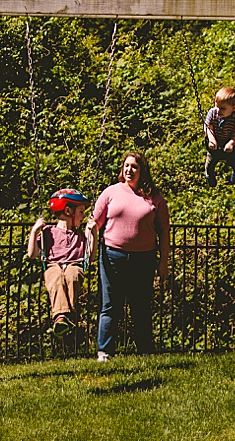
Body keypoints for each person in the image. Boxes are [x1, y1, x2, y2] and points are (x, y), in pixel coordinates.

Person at [87, 151, 170, 360]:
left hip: (144, 257)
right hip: (112, 255)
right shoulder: (111, 192)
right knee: (110, 305)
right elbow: (95, 223)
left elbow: (164, 232)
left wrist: (163, 262)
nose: (129, 170)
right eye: (126, 166)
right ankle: (105, 351)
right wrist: (89, 239)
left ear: (142, 171)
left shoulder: (154, 197)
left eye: (134, 166)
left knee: (140, 305)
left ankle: (144, 350)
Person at [26, 187, 91, 331]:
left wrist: (93, 232)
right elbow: (32, 254)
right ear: (68, 212)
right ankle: (61, 317)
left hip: (74, 264)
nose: (83, 217)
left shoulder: (80, 235)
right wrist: (34, 230)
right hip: (52, 265)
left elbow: (90, 256)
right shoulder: (48, 231)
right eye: (81, 212)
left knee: (72, 276)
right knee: (56, 279)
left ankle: (70, 316)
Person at [202, 86, 235, 186]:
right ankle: (210, 177)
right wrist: (212, 140)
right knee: (210, 163)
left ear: (233, 108)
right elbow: (209, 128)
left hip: (228, 141)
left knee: (234, 161)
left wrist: (231, 143)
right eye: (216, 106)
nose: (218, 110)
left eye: (222, 108)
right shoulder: (212, 113)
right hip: (215, 141)